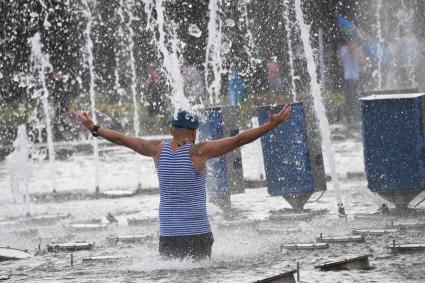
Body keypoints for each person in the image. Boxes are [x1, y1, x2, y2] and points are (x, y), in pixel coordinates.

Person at [77, 105, 291, 260]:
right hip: (197, 234)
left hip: (169, 235)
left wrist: (94, 128)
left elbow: (121, 139)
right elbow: (239, 139)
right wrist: (270, 126)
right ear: (195, 132)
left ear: (171, 130)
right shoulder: (199, 151)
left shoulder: (156, 149)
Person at [339, 40, 362, 127]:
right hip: (348, 78)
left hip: (356, 78)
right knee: (348, 98)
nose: (352, 44)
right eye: (350, 42)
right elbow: (340, 61)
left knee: (356, 97)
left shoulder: (358, 50)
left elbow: (362, 61)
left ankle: (356, 116)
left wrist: (355, 52)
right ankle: (348, 116)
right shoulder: (344, 49)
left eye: (353, 43)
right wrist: (348, 52)